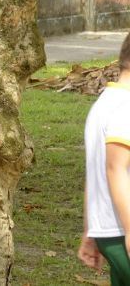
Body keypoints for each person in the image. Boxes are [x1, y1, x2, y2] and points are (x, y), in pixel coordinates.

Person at [78, 33, 130, 284]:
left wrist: (89, 231)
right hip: (123, 231)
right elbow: (114, 168)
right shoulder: (127, 105)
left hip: (110, 232)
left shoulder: (103, 104)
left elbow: (94, 172)